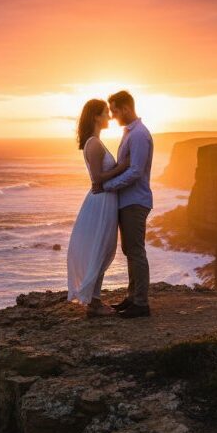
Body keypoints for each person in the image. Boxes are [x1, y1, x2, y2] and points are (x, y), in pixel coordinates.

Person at [92, 90, 154, 318]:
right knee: (130, 250)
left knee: (136, 250)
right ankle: (132, 297)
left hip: (135, 200)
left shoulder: (138, 135)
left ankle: (141, 304)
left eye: (115, 110)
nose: (113, 115)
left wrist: (107, 186)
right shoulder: (130, 133)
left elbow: (136, 171)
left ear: (126, 108)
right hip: (128, 200)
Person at [66, 99, 130, 317]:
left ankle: (94, 299)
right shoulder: (93, 143)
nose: (109, 117)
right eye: (105, 113)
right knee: (100, 249)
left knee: (104, 249)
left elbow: (99, 179)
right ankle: (93, 304)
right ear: (95, 117)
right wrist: (122, 167)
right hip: (101, 202)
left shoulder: (96, 142)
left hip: (105, 201)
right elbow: (97, 178)